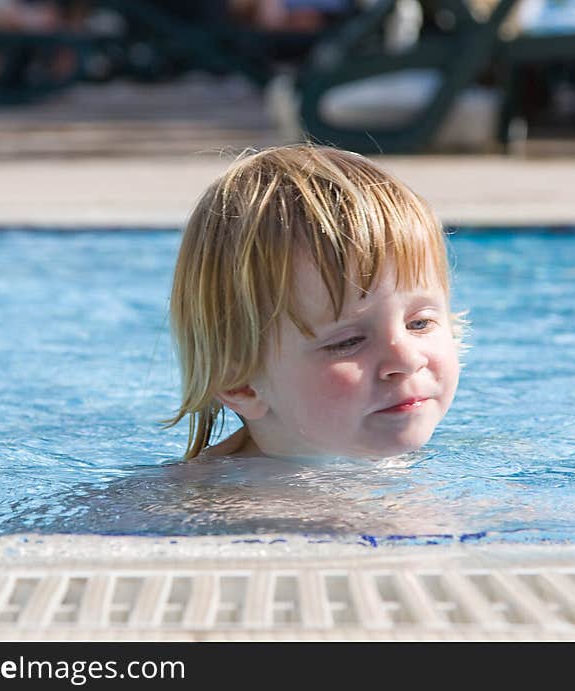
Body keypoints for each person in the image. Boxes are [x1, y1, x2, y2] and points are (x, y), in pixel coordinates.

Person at [165, 144, 464, 463]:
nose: (405, 360)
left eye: (419, 323)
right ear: (240, 383)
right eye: (349, 342)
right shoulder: (216, 508)